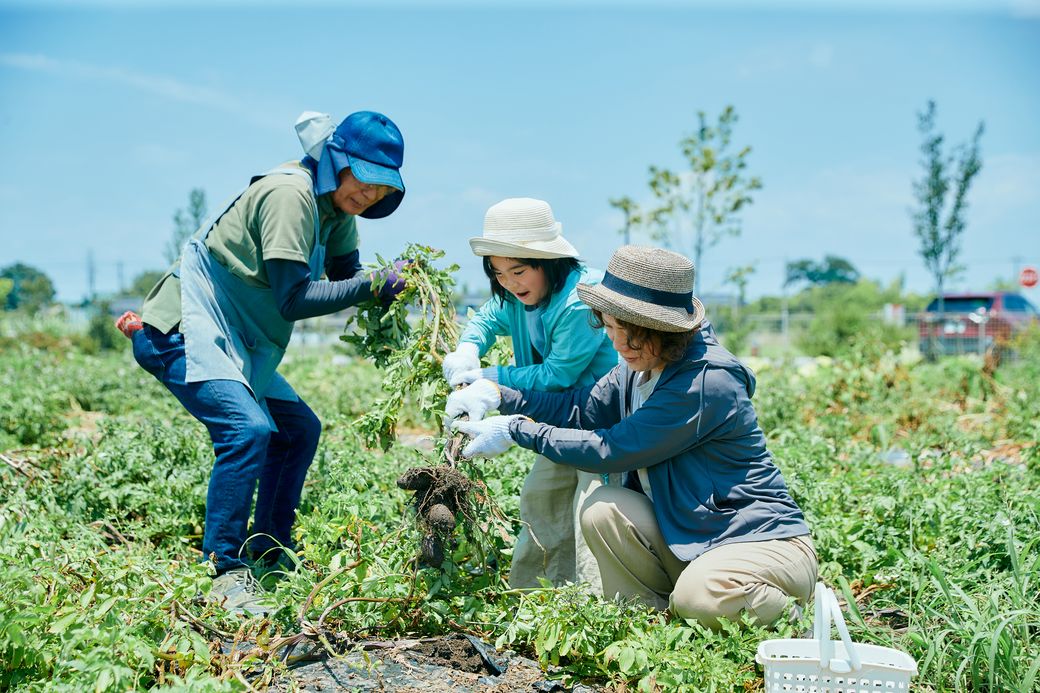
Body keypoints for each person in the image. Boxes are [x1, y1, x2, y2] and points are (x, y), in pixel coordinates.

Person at [114, 110, 408, 616]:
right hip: (184, 329)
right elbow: (295, 299)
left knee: (299, 429)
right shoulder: (289, 195)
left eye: (383, 188)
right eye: (365, 179)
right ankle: (222, 570)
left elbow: (346, 274)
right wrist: (368, 286)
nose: (371, 194)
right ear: (336, 162)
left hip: (239, 342)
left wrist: (383, 289)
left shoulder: (336, 212)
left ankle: (267, 551)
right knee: (247, 430)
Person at [447, 245, 817, 629]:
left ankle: (800, 623)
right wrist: (500, 395)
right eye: (610, 328)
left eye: (632, 334)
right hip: (693, 537)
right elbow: (581, 409)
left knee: (702, 596)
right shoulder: (639, 369)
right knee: (604, 509)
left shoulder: (704, 381)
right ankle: (654, 630)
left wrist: (516, 429)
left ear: (665, 330)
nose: (619, 345)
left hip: (757, 545)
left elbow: (614, 448)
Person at [441, 198, 617, 592]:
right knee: (541, 503)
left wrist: (491, 378)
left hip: (600, 425)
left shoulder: (580, 300)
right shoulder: (517, 295)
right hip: (554, 422)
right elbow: (488, 317)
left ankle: (599, 610)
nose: (509, 283)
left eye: (518, 271)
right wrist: (468, 347)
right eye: (499, 273)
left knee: (591, 512)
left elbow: (558, 374)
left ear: (549, 263)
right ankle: (533, 601)